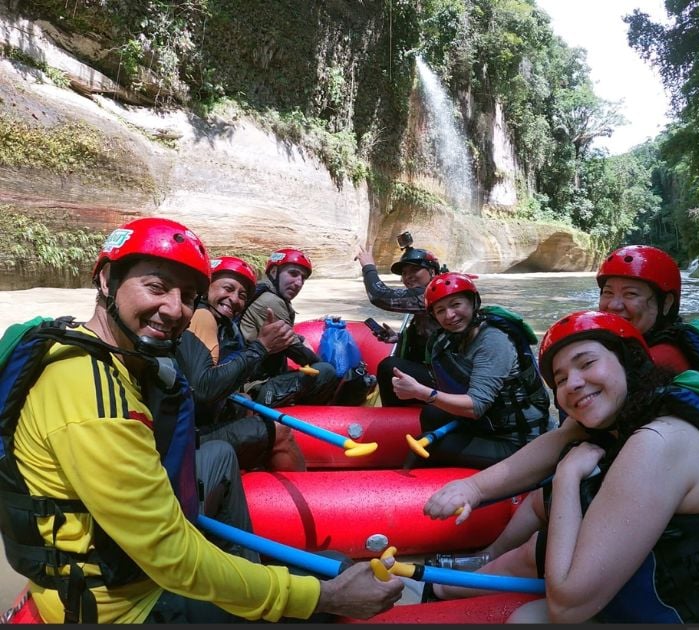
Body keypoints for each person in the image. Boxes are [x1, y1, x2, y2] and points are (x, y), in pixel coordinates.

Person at [0, 218, 405, 623]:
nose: (176, 309)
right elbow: (171, 556)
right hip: (120, 606)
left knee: (226, 464)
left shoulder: (101, 352)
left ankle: (248, 571)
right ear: (106, 280)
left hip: (131, 570)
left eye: (189, 295)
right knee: (326, 587)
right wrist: (323, 597)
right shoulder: (91, 397)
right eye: (156, 287)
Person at [422, 310, 699, 623]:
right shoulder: (641, 406)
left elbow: (567, 608)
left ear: (628, 362)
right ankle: (449, 584)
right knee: (531, 604)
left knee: (531, 614)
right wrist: (474, 488)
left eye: (587, 363)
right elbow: (554, 443)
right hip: (680, 587)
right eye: (560, 379)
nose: (573, 383)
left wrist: (566, 478)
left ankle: (441, 589)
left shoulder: (659, 441)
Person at [386, 272, 550, 469]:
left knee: (428, 446)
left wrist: (420, 392)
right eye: (440, 310)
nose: (450, 316)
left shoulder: (494, 340)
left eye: (456, 304)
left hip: (519, 441)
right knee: (431, 414)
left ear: (473, 302)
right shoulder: (449, 338)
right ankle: (448, 472)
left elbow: (476, 407)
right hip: (488, 424)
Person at [176, 255, 306, 471]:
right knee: (280, 432)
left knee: (242, 402)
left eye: (242, 295)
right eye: (227, 288)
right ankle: (307, 497)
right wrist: (261, 347)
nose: (234, 299)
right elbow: (203, 388)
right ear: (207, 286)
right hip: (186, 439)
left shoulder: (222, 324)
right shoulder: (202, 316)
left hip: (195, 426)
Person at [597, 244, 699, 385]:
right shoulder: (647, 344)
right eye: (608, 292)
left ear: (666, 304)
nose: (613, 306)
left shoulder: (659, 363)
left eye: (630, 294)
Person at [239, 247, 339, 407]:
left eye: (303, 278)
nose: (299, 282)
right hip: (253, 387)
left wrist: (300, 338)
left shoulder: (265, 293)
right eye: (293, 274)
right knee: (326, 371)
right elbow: (301, 355)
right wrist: (334, 373)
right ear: (274, 272)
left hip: (254, 377)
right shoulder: (271, 301)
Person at [354, 234, 446, 394]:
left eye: (415, 270)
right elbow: (432, 333)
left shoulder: (430, 294)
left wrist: (368, 267)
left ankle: (391, 414)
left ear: (432, 272)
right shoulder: (425, 294)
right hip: (435, 367)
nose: (408, 276)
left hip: (444, 375)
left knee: (388, 366)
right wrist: (400, 338)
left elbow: (379, 296)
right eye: (404, 273)